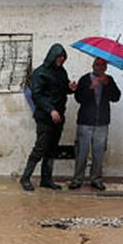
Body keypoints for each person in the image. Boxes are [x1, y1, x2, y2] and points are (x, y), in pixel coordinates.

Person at [20, 43, 76, 191]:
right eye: (59, 57)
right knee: (40, 147)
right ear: (52, 57)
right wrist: (51, 110)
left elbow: (63, 89)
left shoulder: (61, 71)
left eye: (63, 58)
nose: (61, 60)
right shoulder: (40, 73)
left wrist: (70, 88)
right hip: (45, 117)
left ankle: (46, 179)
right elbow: (37, 95)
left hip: (59, 116)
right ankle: (25, 178)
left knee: (52, 149)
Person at [70, 57, 121, 190]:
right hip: (85, 122)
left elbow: (116, 97)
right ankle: (77, 179)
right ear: (93, 66)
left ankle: (96, 179)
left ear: (106, 68)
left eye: (103, 65)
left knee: (99, 153)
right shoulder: (85, 79)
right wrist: (90, 88)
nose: (100, 67)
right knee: (82, 152)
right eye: (97, 65)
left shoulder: (109, 80)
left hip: (102, 123)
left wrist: (107, 84)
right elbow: (79, 98)